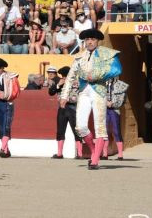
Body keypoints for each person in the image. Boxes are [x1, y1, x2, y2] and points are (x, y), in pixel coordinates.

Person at [60, 28, 121, 170]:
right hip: (84, 92)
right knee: (80, 127)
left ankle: (95, 160)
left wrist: (96, 76)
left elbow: (117, 69)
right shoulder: (79, 57)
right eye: (87, 40)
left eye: (92, 39)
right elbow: (70, 77)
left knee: (100, 126)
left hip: (99, 91)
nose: (90, 42)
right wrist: (64, 95)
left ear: (97, 41)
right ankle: (94, 152)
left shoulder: (107, 54)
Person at [50, 66, 82, 159]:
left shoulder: (77, 82)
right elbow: (51, 92)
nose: (63, 78)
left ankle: (79, 153)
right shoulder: (59, 82)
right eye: (63, 76)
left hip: (73, 108)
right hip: (62, 108)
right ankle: (59, 153)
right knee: (60, 130)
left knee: (77, 130)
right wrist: (58, 85)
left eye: (64, 76)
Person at [102, 77, 128, 161]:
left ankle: (120, 155)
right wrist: (104, 102)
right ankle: (105, 154)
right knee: (104, 131)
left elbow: (122, 99)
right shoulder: (102, 84)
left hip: (115, 110)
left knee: (116, 131)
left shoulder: (121, 85)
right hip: (104, 110)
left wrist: (113, 103)